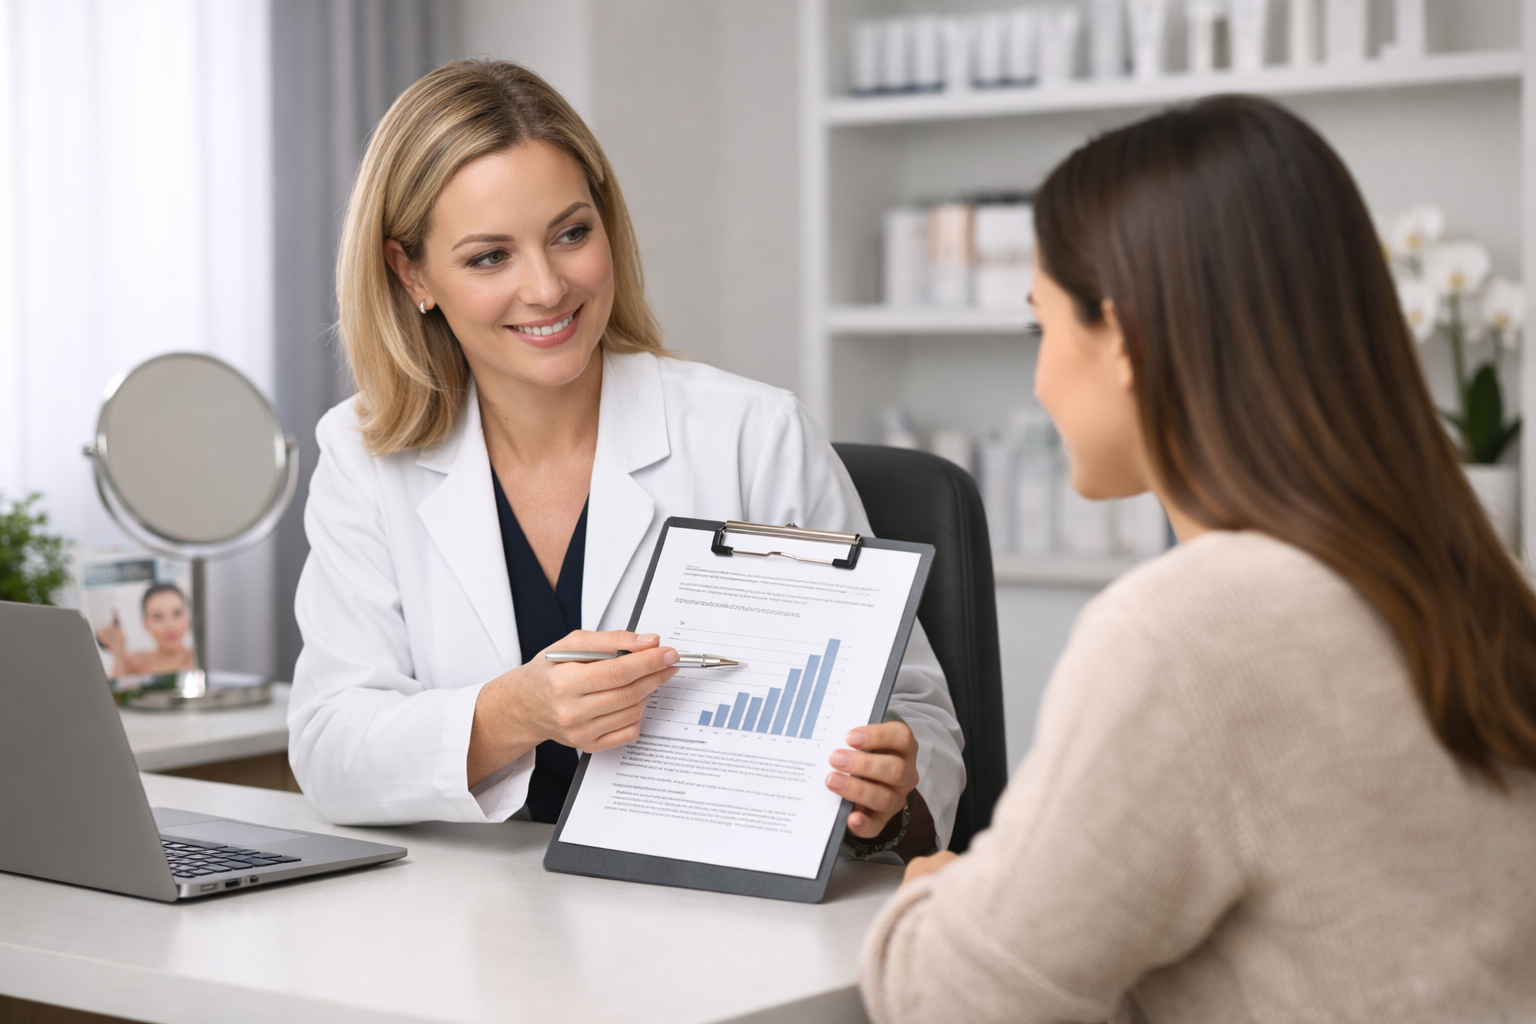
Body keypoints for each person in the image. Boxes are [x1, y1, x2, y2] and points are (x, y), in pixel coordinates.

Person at [860, 96, 1536, 1022]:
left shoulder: (1196, 631)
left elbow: (956, 1002)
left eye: (1041, 328)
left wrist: (940, 892)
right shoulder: (1483, 576)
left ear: (1126, 340)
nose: (1040, 377)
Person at [288, 59, 963, 858]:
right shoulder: (364, 456)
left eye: (571, 234)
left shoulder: (754, 434)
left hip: (716, 919)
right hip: (467, 930)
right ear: (412, 274)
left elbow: (915, 714)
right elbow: (330, 747)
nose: (546, 288)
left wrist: (890, 797)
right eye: (488, 257)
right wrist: (518, 711)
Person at [95, 582, 197, 678]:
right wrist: (118, 650)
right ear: (145, 624)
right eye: (158, 617)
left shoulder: (202, 659)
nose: (169, 625)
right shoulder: (135, 662)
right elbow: (114, 694)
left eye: (177, 613)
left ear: (189, 617)